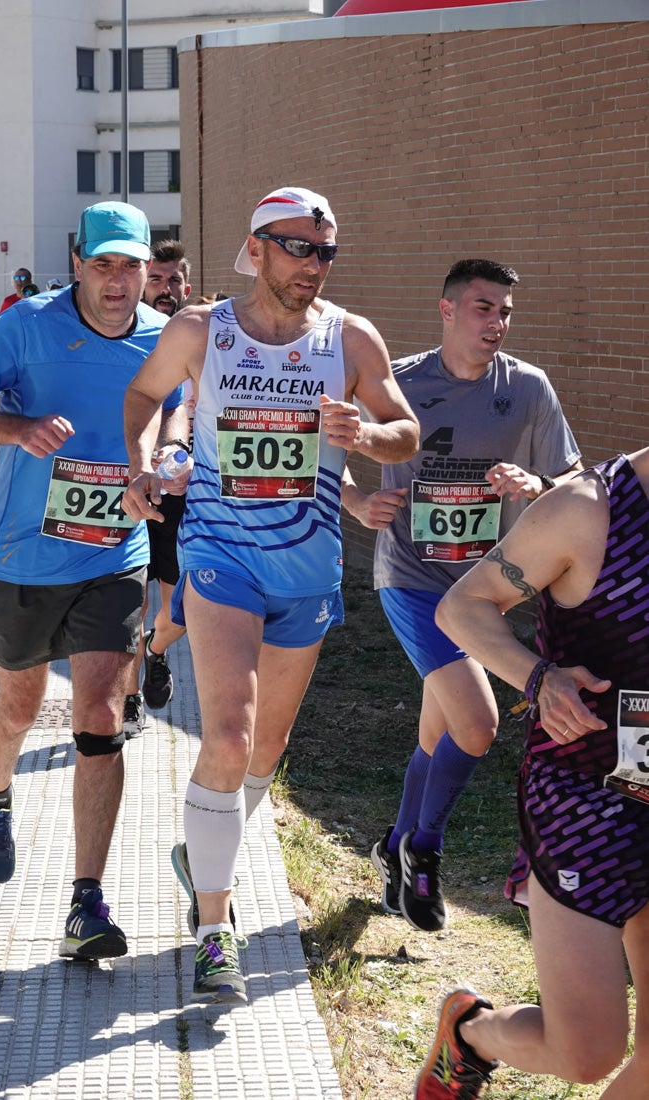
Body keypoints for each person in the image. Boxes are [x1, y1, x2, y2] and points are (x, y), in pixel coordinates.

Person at [122, 186, 420, 1004]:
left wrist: (366, 435)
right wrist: (144, 463)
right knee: (226, 733)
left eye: (325, 252)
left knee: (262, 752)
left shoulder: (348, 337)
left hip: (309, 568)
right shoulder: (200, 330)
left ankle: (202, 851)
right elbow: (146, 397)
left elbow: (405, 428)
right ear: (255, 249)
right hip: (221, 557)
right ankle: (214, 931)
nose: (313, 267)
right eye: (298, 248)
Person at [0, 201, 185, 961]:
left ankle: (85, 902)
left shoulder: (162, 337)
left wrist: (167, 460)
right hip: (20, 561)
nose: (117, 281)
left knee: (103, 713)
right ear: (77, 261)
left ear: (148, 268)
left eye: (131, 266)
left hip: (114, 553)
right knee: (17, 705)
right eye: (103, 264)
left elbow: (176, 411)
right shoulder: (26, 328)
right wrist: (18, 430)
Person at [341, 258, 582, 932]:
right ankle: (423, 850)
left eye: (505, 310)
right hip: (411, 580)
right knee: (476, 723)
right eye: (482, 308)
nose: (496, 322)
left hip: (485, 590)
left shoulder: (527, 389)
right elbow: (310, 448)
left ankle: (392, 846)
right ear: (445, 310)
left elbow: (573, 480)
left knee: (440, 726)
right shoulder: (402, 382)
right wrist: (359, 501)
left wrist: (532, 487)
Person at [412, 447, 649, 1099]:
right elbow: (463, 607)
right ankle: (469, 1033)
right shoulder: (585, 510)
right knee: (586, 1052)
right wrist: (537, 678)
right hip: (585, 799)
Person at [122, 240, 193, 740]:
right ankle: (127, 700)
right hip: (127, 485)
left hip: (184, 495)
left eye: (174, 282)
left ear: (185, 286)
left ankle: (157, 651)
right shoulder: (128, 337)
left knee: (179, 610)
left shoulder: (207, 335)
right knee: (128, 605)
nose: (165, 290)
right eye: (158, 280)